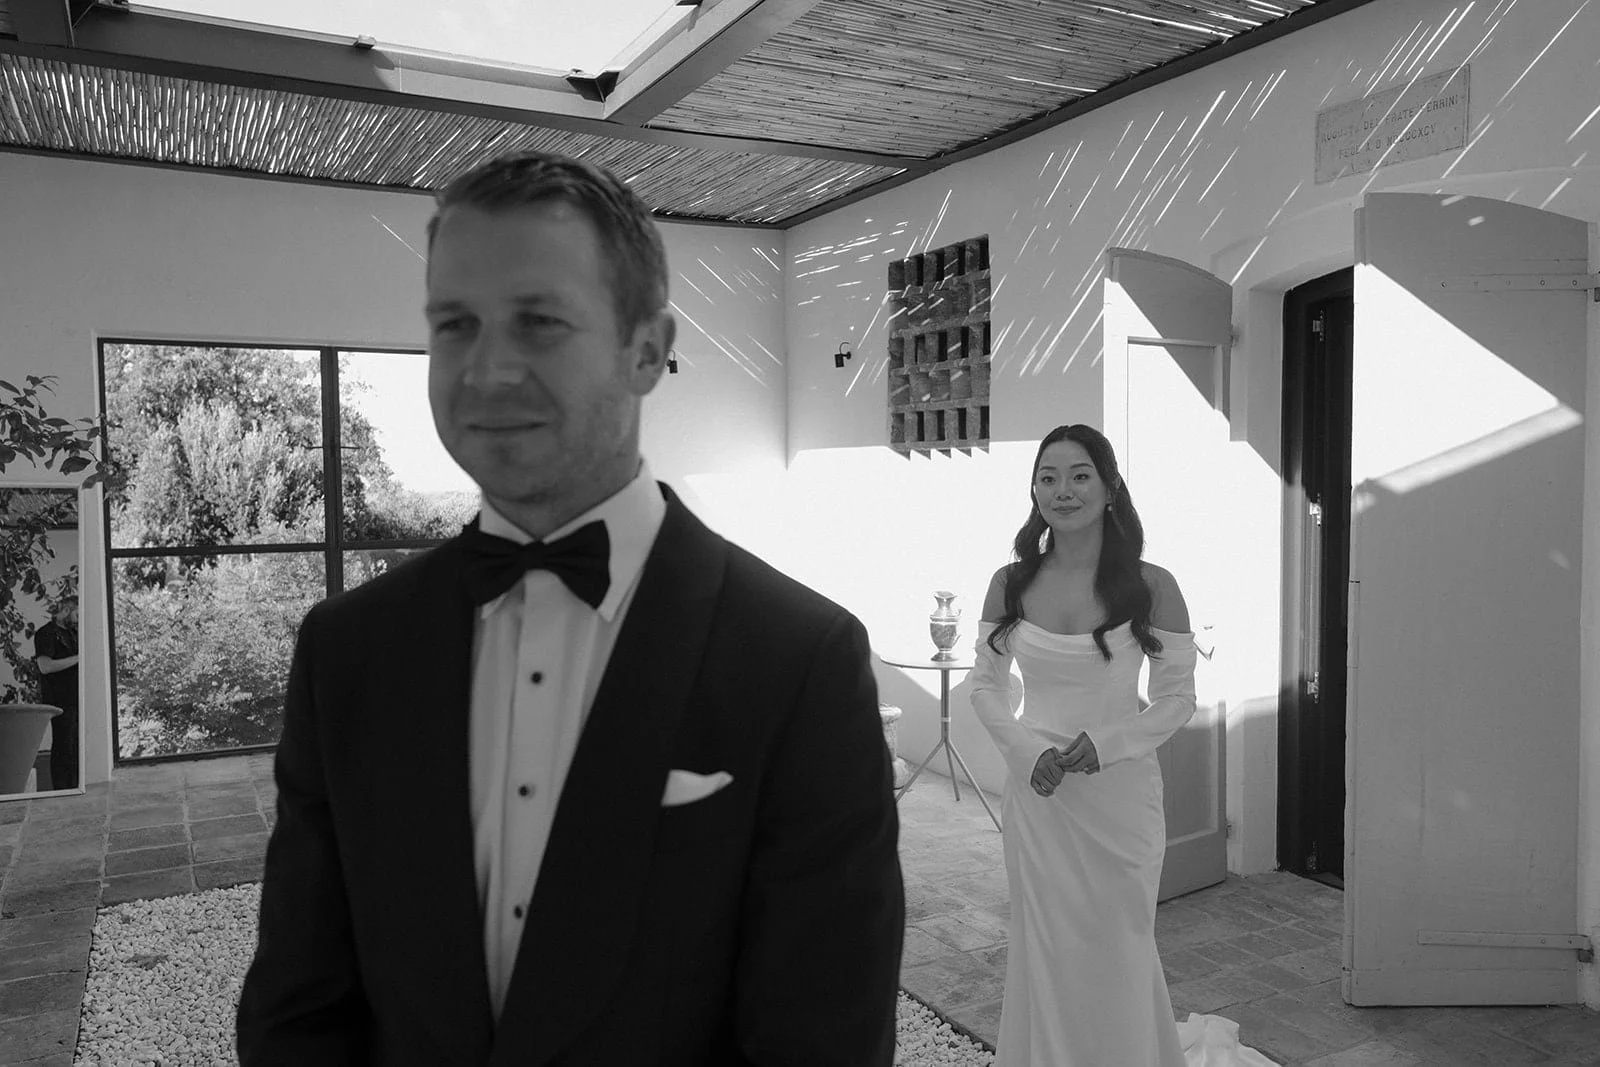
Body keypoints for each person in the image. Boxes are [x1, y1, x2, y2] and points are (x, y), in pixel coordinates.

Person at [236, 151, 904, 1066]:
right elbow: (297, 1006)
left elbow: (821, 1038)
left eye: (539, 322)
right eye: (455, 324)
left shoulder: (799, 661)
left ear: (646, 349)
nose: (486, 371)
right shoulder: (347, 649)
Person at [969, 424, 1275, 1066]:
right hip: (1039, 796)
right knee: (1045, 944)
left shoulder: (1152, 585)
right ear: (1033, 491)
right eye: (1047, 476)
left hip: (1120, 798)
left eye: (1079, 475)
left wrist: (1106, 744)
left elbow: (1175, 701)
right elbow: (986, 688)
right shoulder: (1010, 582)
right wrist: (1028, 755)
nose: (1063, 489)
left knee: (1119, 941)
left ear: (1109, 487)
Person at [33, 595, 80, 790]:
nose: (78, 619)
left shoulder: (72, 633)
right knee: (63, 747)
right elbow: (45, 666)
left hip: (76, 697)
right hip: (59, 699)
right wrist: (79, 658)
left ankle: (75, 786)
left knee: (75, 748)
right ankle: (61, 790)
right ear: (67, 611)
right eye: (77, 613)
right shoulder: (46, 633)